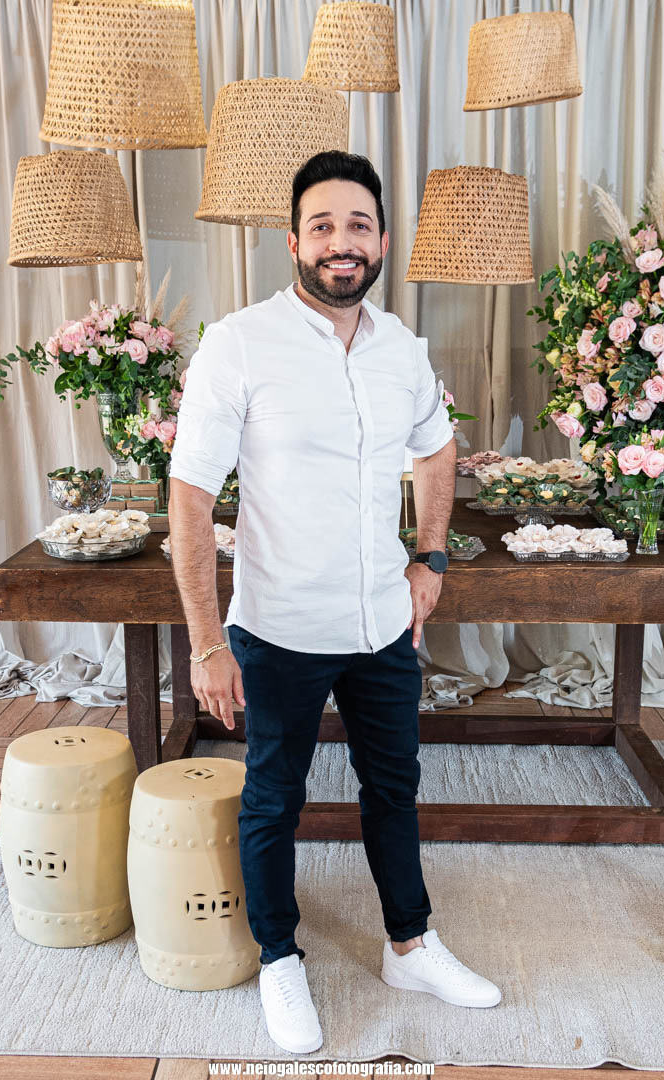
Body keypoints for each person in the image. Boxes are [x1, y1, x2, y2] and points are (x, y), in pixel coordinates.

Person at [168, 150, 502, 1055]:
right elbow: (190, 497)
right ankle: (279, 958)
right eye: (322, 226)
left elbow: (436, 449)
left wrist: (430, 557)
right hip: (278, 626)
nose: (340, 242)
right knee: (273, 798)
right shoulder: (239, 343)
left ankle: (410, 946)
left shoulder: (401, 348)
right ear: (293, 242)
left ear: (382, 241)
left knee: (394, 787)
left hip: (382, 622)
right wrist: (206, 643)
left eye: (358, 225)